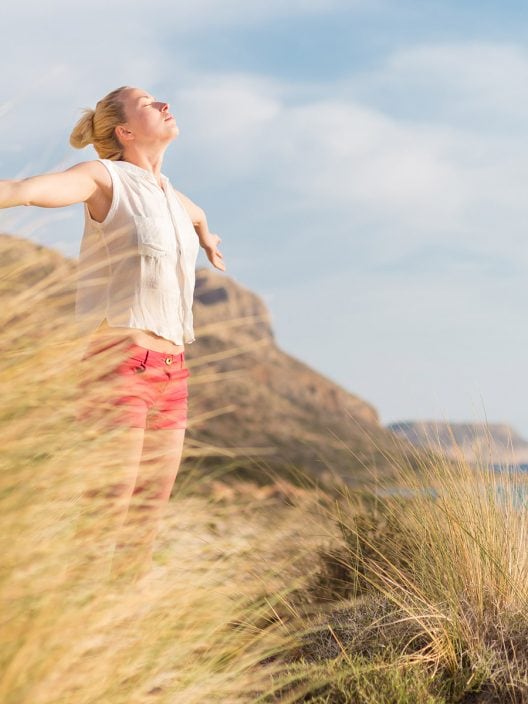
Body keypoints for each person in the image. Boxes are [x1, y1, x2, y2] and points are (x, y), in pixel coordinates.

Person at [0, 85, 226, 583]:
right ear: (124, 131)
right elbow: (29, 191)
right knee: (107, 514)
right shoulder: (104, 178)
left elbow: (197, 213)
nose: (165, 104)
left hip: (173, 376)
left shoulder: (172, 194)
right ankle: (70, 630)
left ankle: (121, 633)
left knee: (145, 522)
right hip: (120, 367)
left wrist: (207, 238)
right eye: (148, 104)